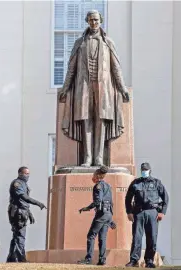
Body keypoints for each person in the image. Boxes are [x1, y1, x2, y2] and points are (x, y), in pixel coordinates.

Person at [59, 10, 130, 167]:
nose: (94, 23)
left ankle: (99, 157)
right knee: (86, 120)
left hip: (103, 86)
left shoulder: (107, 43)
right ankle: (88, 157)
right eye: (91, 20)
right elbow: (71, 67)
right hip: (84, 86)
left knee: (101, 120)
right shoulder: (80, 43)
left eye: (96, 20)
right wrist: (65, 87)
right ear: (87, 21)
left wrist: (122, 88)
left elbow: (115, 67)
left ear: (100, 21)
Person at [125, 162, 169, 268]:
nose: (144, 171)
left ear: (150, 171)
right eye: (143, 170)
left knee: (152, 237)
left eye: (146, 170)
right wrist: (129, 212)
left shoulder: (156, 182)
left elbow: (165, 197)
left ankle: (149, 261)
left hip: (152, 212)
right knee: (136, 237)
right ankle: (134, 260)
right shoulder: (135, 183)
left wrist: (162, 212)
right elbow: (128, 198)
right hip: (138, 212)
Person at [6, 166, 47, 263]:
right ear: (20, 173)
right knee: (20, 236)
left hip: (22, 212)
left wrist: (30, 214)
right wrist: (38, 203)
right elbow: (23, 197)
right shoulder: (17, 183)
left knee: (16, 236)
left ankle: (11, 259)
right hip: (17, 213)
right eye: (26, 173)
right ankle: (21, 259)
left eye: (28, 174)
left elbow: (24, 203)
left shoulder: (24, 184)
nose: (28, 175)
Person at [77, 166, 116, 265]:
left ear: (98, 176)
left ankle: (88, 259)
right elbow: (111, 203)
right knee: (102, 238)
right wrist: (110, 219)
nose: (92, 177)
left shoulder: (98, 186)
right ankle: (102, 260)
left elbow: (98, 201)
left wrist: (87, 208)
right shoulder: (108, 186)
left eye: (93, 175)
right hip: (108, 214)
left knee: (91, 235)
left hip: (101, 214)